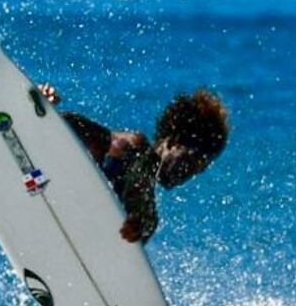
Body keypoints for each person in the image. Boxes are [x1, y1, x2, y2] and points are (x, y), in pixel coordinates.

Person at [38, 83, 230, 243]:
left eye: (200, 169)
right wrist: (45, 108)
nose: (190, 173)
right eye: (192, 161)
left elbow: (141, 197)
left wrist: (139, 227)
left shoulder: (147, 208)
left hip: (68, 221)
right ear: (173, 142)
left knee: (148, 223)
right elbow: (76, 127)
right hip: (49, 186)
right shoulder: (128, 146)